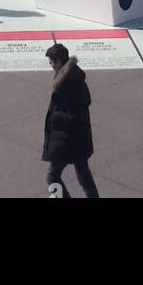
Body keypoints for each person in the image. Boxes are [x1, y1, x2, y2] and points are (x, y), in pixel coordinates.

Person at [42, 46, 99, 200]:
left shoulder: (69, 85)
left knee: (52, 177)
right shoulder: (75, 79)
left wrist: (55, 117)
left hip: (67, 141)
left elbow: (73, 116)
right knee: (83, 174)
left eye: (51, 62)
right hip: (79, 140)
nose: (50, 65)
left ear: (59, 62)